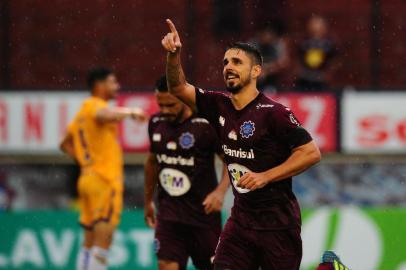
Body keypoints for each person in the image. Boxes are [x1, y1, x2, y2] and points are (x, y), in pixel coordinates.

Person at [161, 19, 321, 269]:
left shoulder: (274, 113)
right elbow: (178, 88)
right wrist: (174, 55)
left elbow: (310, 153)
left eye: (237, 62)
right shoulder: (218, 105)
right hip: (240, 224)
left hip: (278, 226)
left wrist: (265, 176)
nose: (228, 67)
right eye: (225, 62)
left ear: (256, 71)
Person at [60, 67, 147, 270]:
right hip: (104, 180)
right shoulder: (94, 105)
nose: (117, 86)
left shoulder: (81, 113)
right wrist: (130, 112)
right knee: (103, 243)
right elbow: (102, 114)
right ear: (99, 85)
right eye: (113, 82)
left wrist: (85, 161)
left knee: (88, 242)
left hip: (88, 178)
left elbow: (64, 144)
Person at [144, 75, 229, 270]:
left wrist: (220, 191)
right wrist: (148, 200)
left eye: (170, 105)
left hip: (203, 216)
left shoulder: (206, 124)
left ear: (182, 98)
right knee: (166, 264)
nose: (165, 111)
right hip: (169, 216)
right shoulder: (156, 122)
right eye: (160, 105)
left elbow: (229, 161)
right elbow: (151, 161)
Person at [295, 15, 337, 91]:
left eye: (318, 25)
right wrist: (300, 71)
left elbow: (335, 60)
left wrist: (328, 73)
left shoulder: (329, 43)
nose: (315, 28)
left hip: (322, 80)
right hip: (304, 79)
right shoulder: (303, 41)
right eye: (313, 25)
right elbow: (296, 58)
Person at [251, 24, 290, 92]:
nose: (266, 37)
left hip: (273, 77)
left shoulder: (278, 45)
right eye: (264, 34)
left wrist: (268, 70)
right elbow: (247, 61)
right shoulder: (253, 44)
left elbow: (283, 62)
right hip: (255, 75)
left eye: (269, 34)